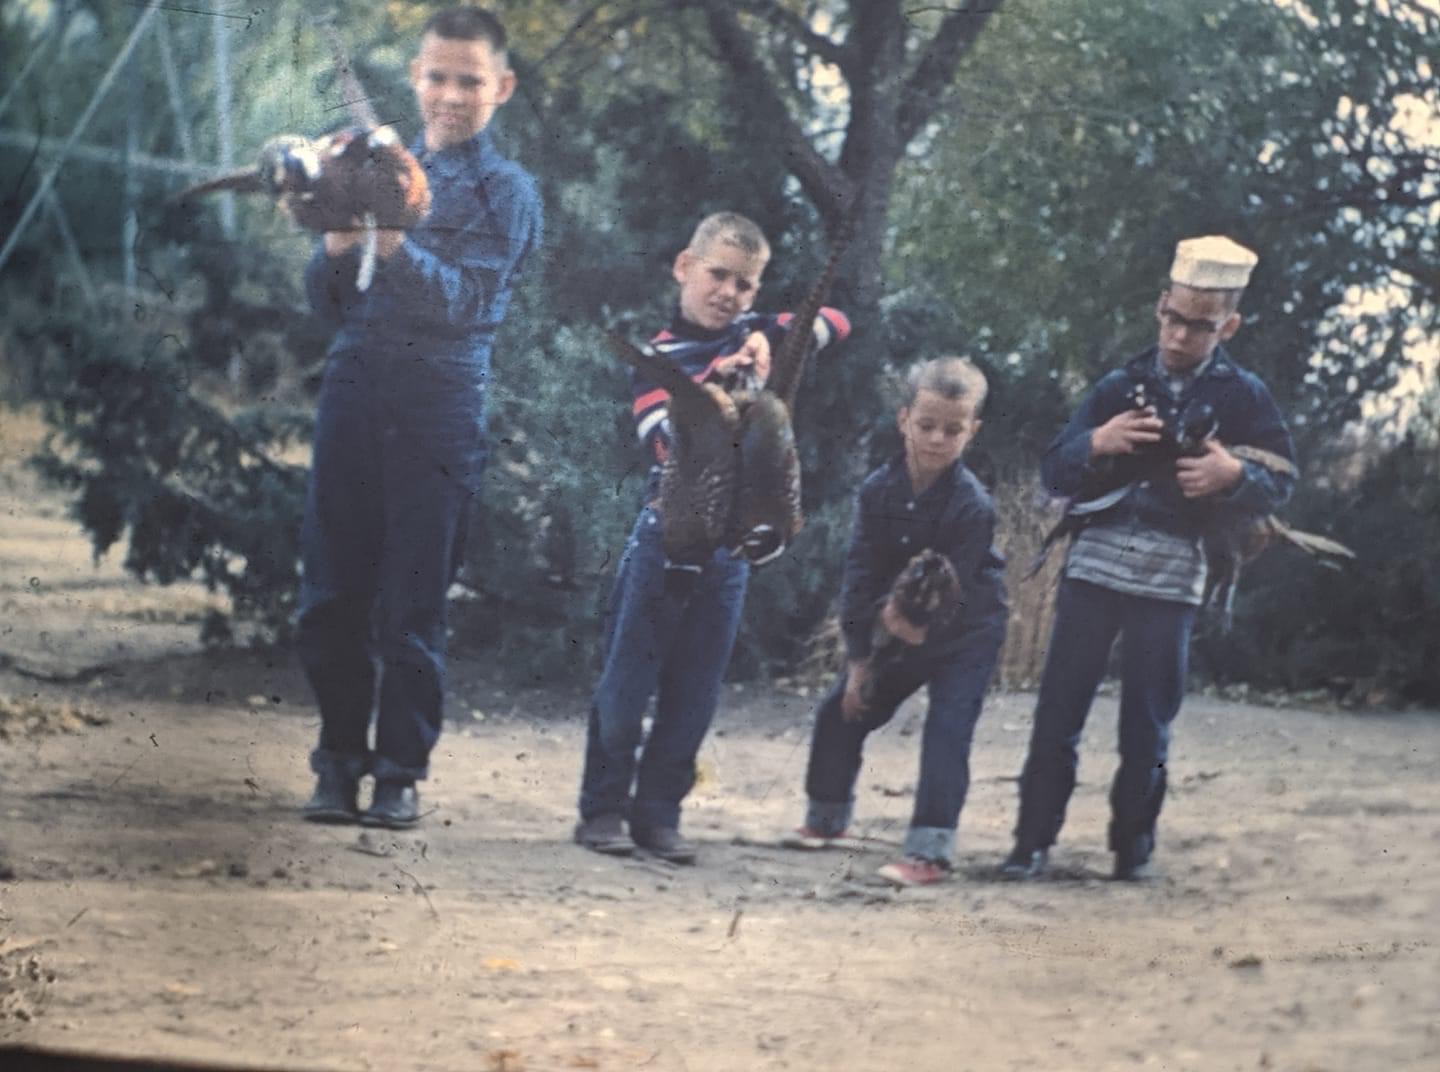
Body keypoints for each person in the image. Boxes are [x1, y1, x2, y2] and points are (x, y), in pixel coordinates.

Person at [297, 6, 542, 829]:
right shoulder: (378, 165)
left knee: (412, 604)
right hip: (353, 392)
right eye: (436, 76)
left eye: (469, 81)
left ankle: (399, 774)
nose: (450, 94)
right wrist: (335, 238)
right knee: (331, 596)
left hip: (439, 409)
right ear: (414, 78)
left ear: (500, 88)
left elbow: (465, 302)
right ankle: (337, 764)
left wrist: (391, 235)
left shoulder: (507, 193)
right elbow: (328, 305)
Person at [1001, 236, 1295, 881]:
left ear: (1230, 325)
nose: (1181, 335)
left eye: (1201, 325)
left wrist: (1231, 473)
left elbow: (1283, 477)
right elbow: (1053, 471)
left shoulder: (1244, 395)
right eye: (1173, 317)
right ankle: (1030, 844)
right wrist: (1097, 442)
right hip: (1095, 567)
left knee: (1148, 724)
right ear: (1160, 305)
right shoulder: (1118, 384)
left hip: (1175, 576)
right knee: (1059, 710)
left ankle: (1133, 850)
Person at [575, 212, 850, 864]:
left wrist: (775, 346)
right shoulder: (659, 358)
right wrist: (716, 390)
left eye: (745, 284)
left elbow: (837, 321)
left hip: (728, 555)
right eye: (717, 275)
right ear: (683, 267)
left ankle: (659, 817)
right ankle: (603, 810)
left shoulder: (759, 333)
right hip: (662, 542)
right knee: (624, 690)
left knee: (694, 695)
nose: (728, 292)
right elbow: (666, 444)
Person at [781, 357, 1008, 886]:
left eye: (953, 430)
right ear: (903, 419)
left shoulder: (972, 506)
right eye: (926, 425)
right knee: (843, 707)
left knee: (947, 729)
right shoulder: (877, 492)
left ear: (972, 431)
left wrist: (922, 631)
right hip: (893, 617)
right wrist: (862, 660)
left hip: (966, 632)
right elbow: (859, 576)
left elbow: (960, 586)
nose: (936, 439)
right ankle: (827, 817)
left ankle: (930, 851)